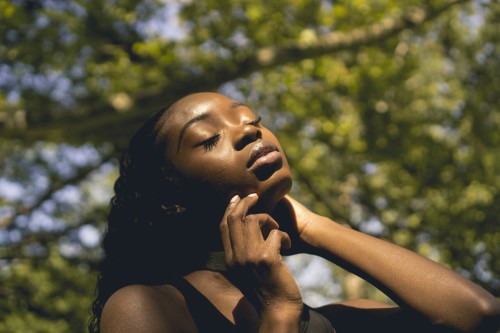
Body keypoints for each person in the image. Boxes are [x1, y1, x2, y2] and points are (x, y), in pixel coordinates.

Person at [88, 92, 500, 333]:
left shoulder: (331, 320)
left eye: (253, 119)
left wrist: (312, 227)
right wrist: (278, 313)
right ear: (169, 198)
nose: (250, 129)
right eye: (209, 138)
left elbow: (478, 316)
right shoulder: (145, 307)